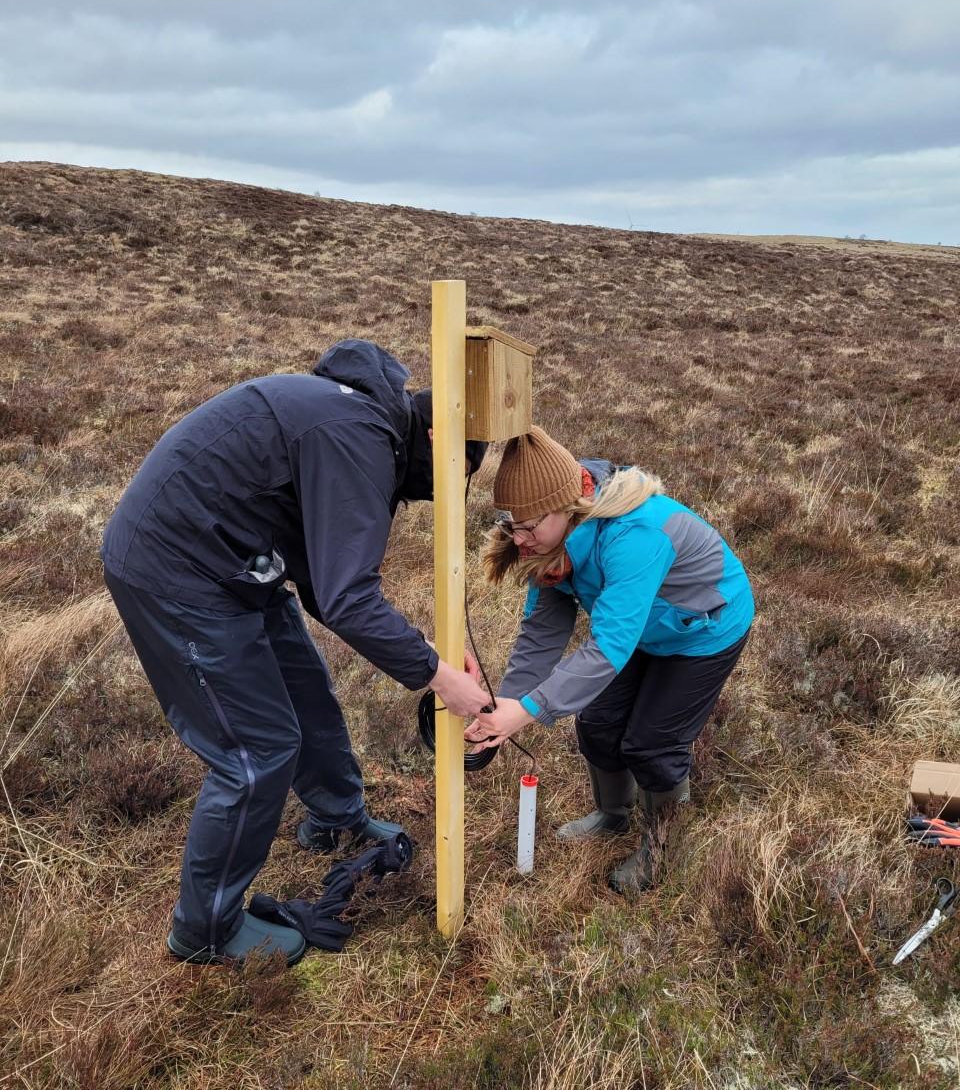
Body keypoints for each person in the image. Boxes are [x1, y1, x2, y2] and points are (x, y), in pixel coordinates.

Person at [102, 339, 489, 965]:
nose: (431, 499)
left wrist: (425, 652)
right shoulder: (360, 438)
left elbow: (320, 581)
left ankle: (336, 818)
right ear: (433, 443)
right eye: (444, 482)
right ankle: (204, 933)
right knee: (256, 750)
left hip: (240, 562)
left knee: (308, 691)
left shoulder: (360, 424)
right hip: (177, 569)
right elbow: (347, 598)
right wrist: (439, 676)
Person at [464, 427, 754, 894]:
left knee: (652, 743)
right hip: (644, 629)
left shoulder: (635, 534)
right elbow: (542, 632)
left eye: (529, 526)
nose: (519, 540)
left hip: (705, 628)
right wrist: (508, 708)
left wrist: (530, 710)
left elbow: (610, 647)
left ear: (568, 502)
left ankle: (660, 849)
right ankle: (612, 815)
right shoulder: (551, 541)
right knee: (598, 722)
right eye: (509, 525)